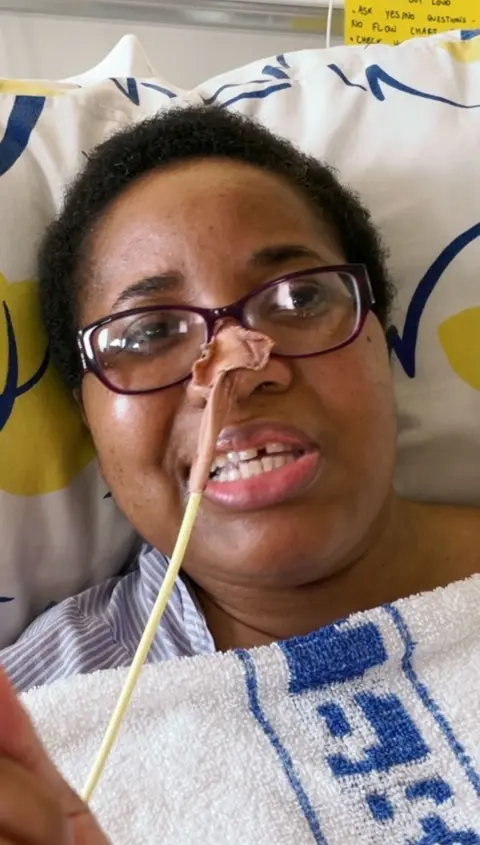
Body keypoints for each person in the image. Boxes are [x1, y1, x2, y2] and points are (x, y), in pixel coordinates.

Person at [2, 104, 480, 696]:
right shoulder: (40, 717)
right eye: (149, 333)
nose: (237, 373)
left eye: (299, 298)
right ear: (89, 416)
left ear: (381, 341)